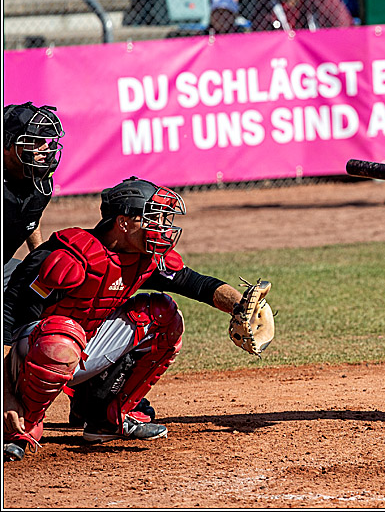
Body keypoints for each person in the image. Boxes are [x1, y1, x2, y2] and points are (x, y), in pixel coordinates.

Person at [2, 177, 257, 462]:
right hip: (34, 352)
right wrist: (5, 389)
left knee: (164, 314)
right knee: (63, 336)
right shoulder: (67, 255)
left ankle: (106, 416)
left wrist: (240, 306)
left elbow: (195, 283)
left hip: (77, 345)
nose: (162, 226)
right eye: (152, 217)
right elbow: (8, 310)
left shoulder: (144, 258)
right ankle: (19, 427)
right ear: (123, 222)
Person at [4, 103, 63, 290]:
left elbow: (30, 217)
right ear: (7, 144)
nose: (45, 149)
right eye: (35, 141)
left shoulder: (40, 181)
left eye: (45, 141)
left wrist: (37, 259)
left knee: (51, 284)